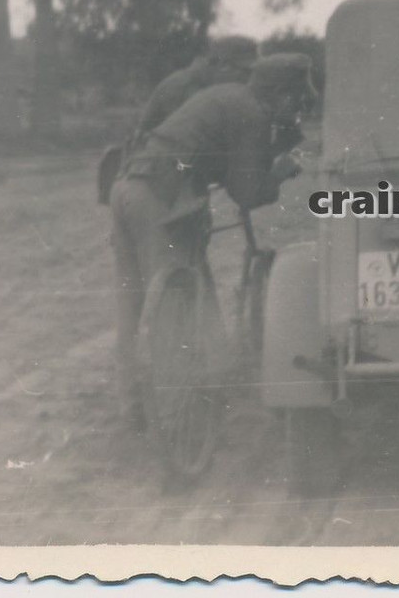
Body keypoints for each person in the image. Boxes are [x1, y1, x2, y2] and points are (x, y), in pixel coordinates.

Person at [108, 53, 310, 428]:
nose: (297, 109)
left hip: (126, 185)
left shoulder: (228, 95)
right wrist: (279, 173)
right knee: (174, 303)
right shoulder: (251, 114)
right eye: (296, 100)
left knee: (132, 301)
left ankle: (132, 403)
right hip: (160, 197)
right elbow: (246, 193)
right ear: (281, 95)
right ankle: (174, 418)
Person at [136, 36, 259, 134]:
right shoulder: (183, 86)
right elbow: (183, 137)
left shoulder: (207, 84)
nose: (249, 79)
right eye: (246, 72)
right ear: (223, 66)